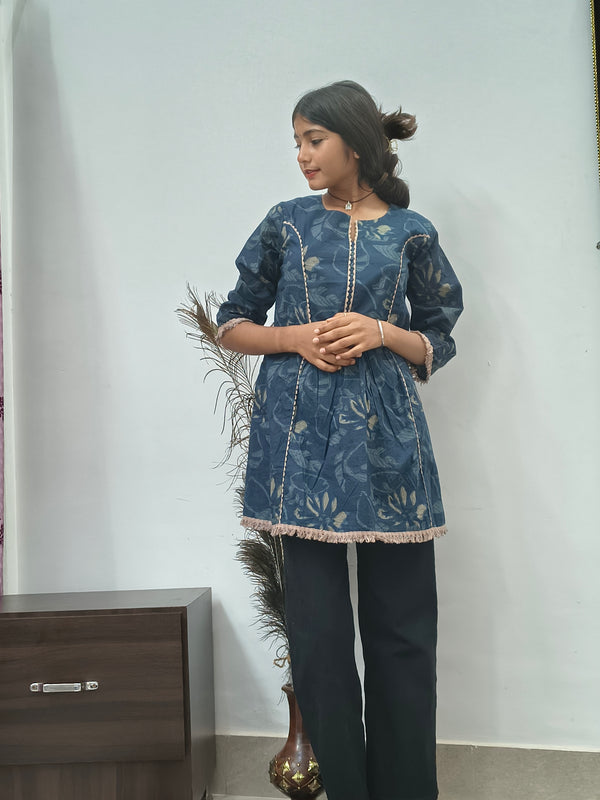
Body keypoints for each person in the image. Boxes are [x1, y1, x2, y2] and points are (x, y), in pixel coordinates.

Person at [216, 80, 463, 800]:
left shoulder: (412, 231)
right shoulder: (286, 223)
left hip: (390, 447)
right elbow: (232, 323)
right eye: (296, 141)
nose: (301, 155)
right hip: (299, 446)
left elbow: (438, 338)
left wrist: (383, 331)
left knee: (404, 634)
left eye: (313, 139)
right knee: (320, 639)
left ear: (355, 143)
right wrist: (294, 337)